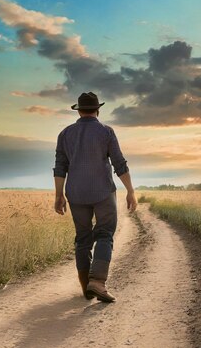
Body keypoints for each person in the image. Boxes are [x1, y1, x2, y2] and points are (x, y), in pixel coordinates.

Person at [52, 92, 137, 302]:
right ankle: (97, 282)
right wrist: (130, 191)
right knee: (105, 234)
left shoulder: (64, 134)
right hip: (103, 193)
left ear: (79, 110)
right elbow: (119, 163)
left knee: (82, 239)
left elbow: (60, 167)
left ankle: (85, 286)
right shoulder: (106, 132)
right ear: (98, 110)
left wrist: (59, 195)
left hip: (76, 193)